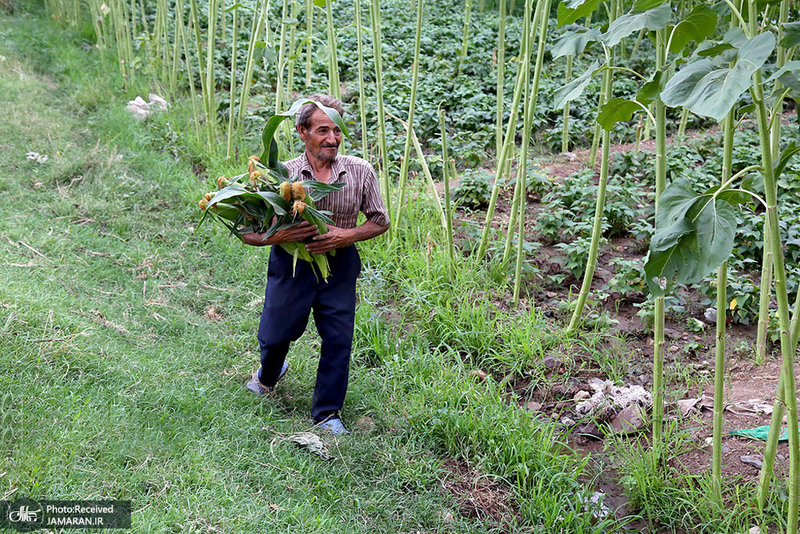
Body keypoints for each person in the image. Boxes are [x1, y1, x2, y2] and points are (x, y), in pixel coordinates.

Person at [241, 95, 390, 435]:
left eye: (337, 130)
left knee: (338, 337)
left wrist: (344, 236)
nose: (332, 139)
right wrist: (281, 236)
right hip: (292, 261)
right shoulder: (282, 176)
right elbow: (248, 232)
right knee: (276, 333)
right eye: (323, 130)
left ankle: (327, 414)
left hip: (339, 264)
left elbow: (380, 222)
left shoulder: (360, 171)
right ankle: (269, 374)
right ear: (302, 132)